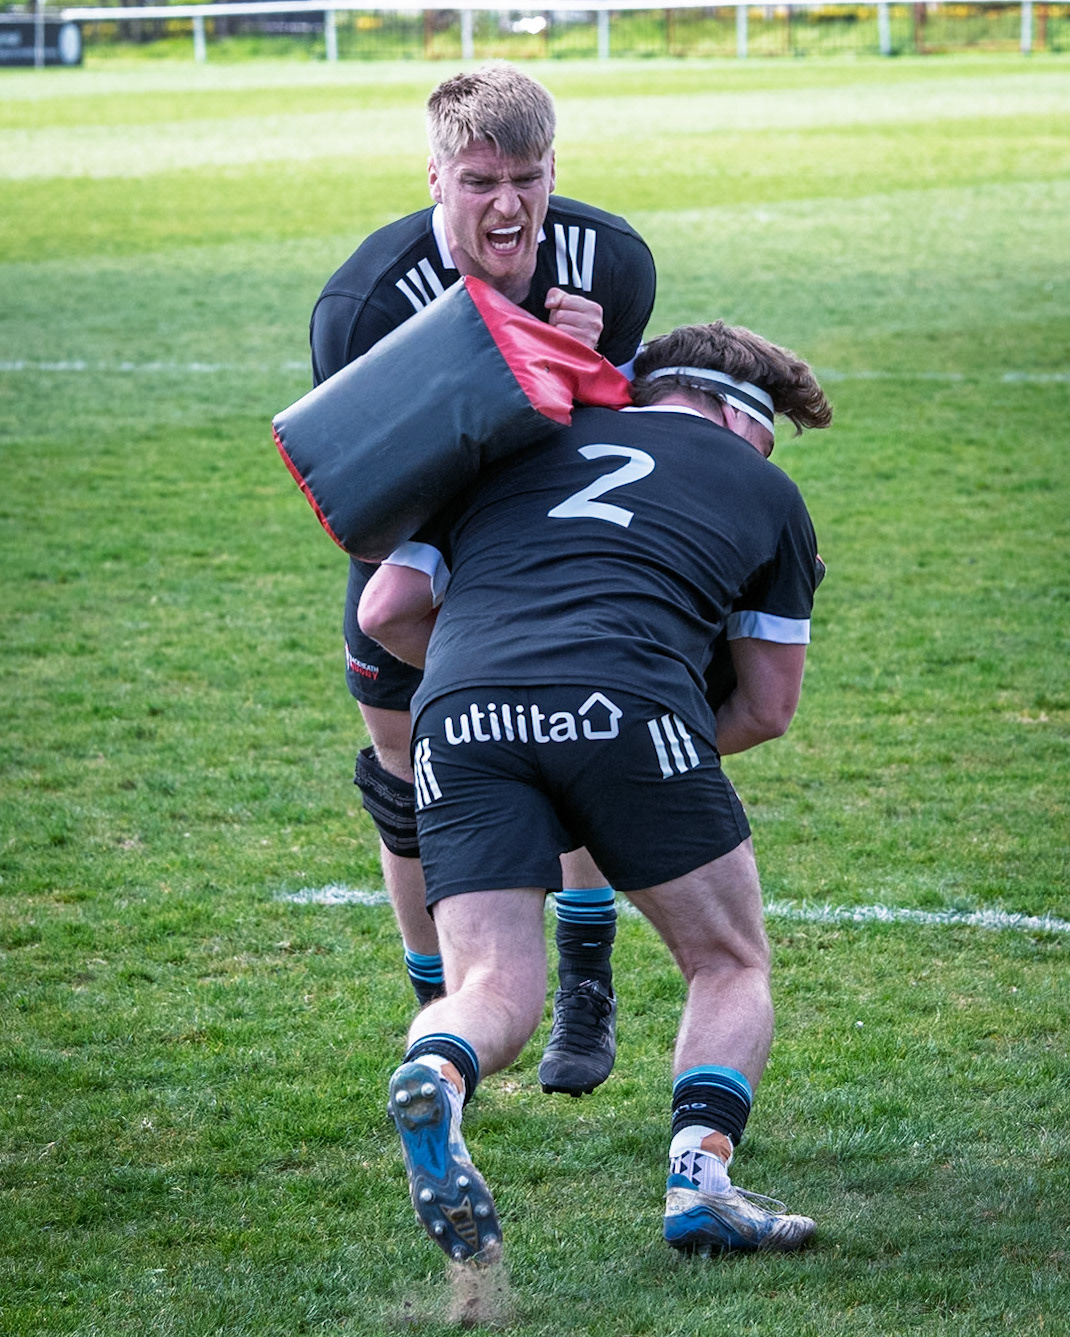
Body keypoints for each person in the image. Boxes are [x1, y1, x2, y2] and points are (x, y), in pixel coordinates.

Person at [357, 319, 833, 1262]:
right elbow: (770, 707)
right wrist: (621, 745)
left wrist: (484, 679)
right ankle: (701, 1183)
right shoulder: (766, 489)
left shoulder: (514, 445)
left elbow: (384, 611)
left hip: (458, 708)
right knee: (727, 959)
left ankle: (435, 1073)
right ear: (739, 418)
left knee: (491, 982)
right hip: (631, 701)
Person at [309, 63, 656, 1096]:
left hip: (545, 535)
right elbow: (367, 504)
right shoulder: (366, 305)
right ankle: (437, 1007)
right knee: (409, 776)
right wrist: (511, 359)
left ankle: (583, 977)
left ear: (553, 171)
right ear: (433, 178)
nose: (506, 203)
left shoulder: (612, 262)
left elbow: (602, 453)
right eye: (477, 181)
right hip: (413, 537)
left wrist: (585, 377)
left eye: (526, 177)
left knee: (574, 736)